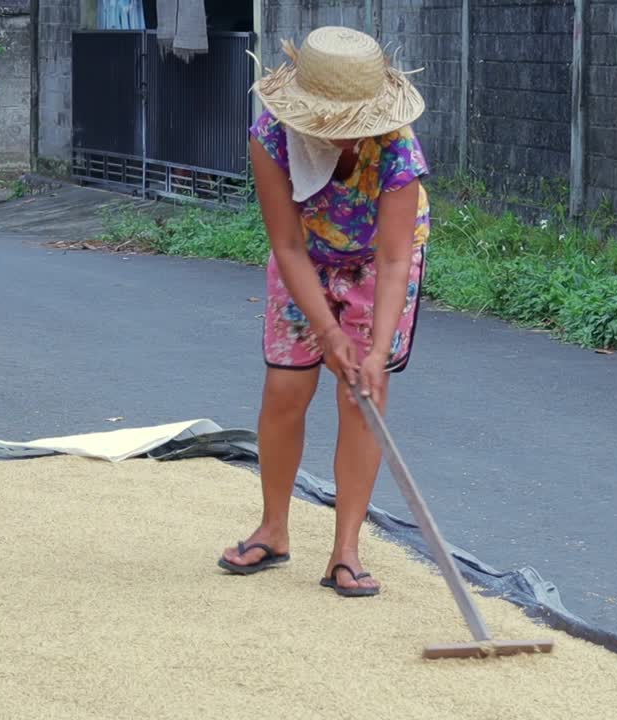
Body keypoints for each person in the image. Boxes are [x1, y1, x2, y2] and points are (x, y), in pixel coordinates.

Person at [217, 26, 430, 597]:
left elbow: (391, 260)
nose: (340, 138)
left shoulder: (397, 153)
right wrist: (326, 329)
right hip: (304, 257)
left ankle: (346, 551)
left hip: (374, 267)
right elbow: (286, 245)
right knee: (285, 391)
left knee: (361, 396)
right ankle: (274, 528)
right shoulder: (271, 136)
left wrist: (374, 352)